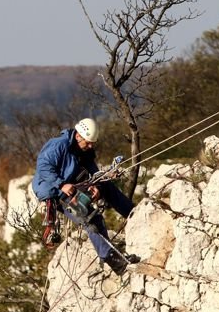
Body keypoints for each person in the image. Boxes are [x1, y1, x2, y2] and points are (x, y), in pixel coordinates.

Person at [32, 118, 139, 275]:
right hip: (53, 190)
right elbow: (43, 167)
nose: (90, 146)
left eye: (92, 143)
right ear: (78, 136)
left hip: (71, 183)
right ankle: (113, 261)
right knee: (90, 218)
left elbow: (93, 171)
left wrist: (96, 185)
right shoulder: (59, 144)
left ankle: (133, 214)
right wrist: (61, 184)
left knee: (106, 186)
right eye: (88, 143)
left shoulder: (84, 149)